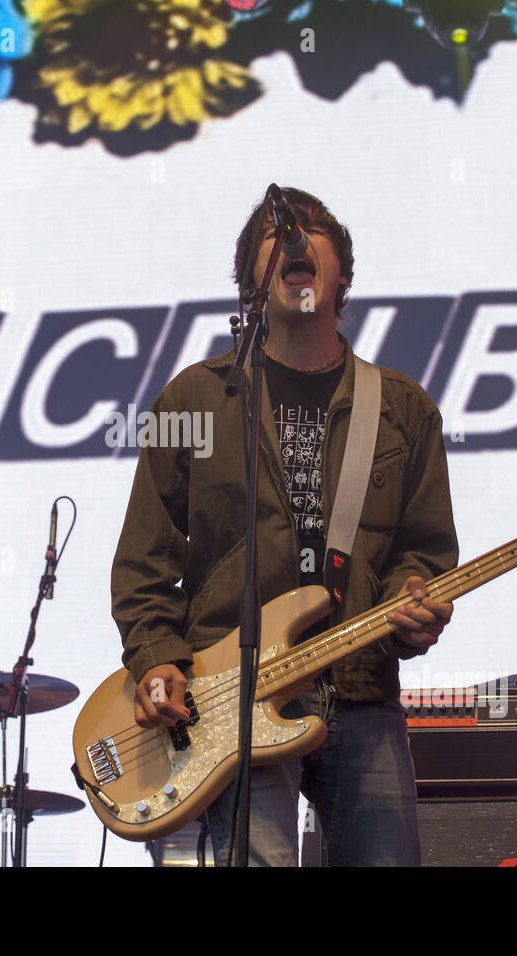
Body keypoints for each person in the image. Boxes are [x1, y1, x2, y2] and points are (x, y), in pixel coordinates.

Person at [110, 187, 459, 866]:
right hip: (232, 693)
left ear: (343, 275)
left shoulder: (403, 407)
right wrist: (157, 659)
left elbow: (423, 549)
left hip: (360, 687)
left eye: (313, 232)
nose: (296, 240)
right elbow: (144, 563)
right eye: (278, 234)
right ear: (253, 280)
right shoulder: (195, 399)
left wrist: (415, 598)